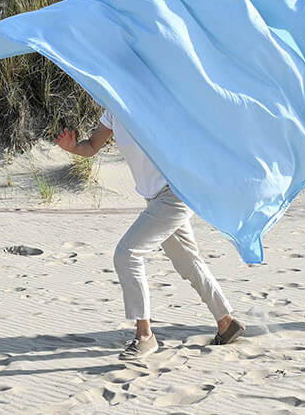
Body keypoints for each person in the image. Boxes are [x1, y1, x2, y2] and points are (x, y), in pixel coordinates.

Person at [56, 109, 246, 359]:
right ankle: (226, 321)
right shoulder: (113, 110)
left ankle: (145, 336)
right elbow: (91, 146)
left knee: (127, 254)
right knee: (187, 261)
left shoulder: (150, 97)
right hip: (155, 198)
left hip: (176, 193)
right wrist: (72, 148)